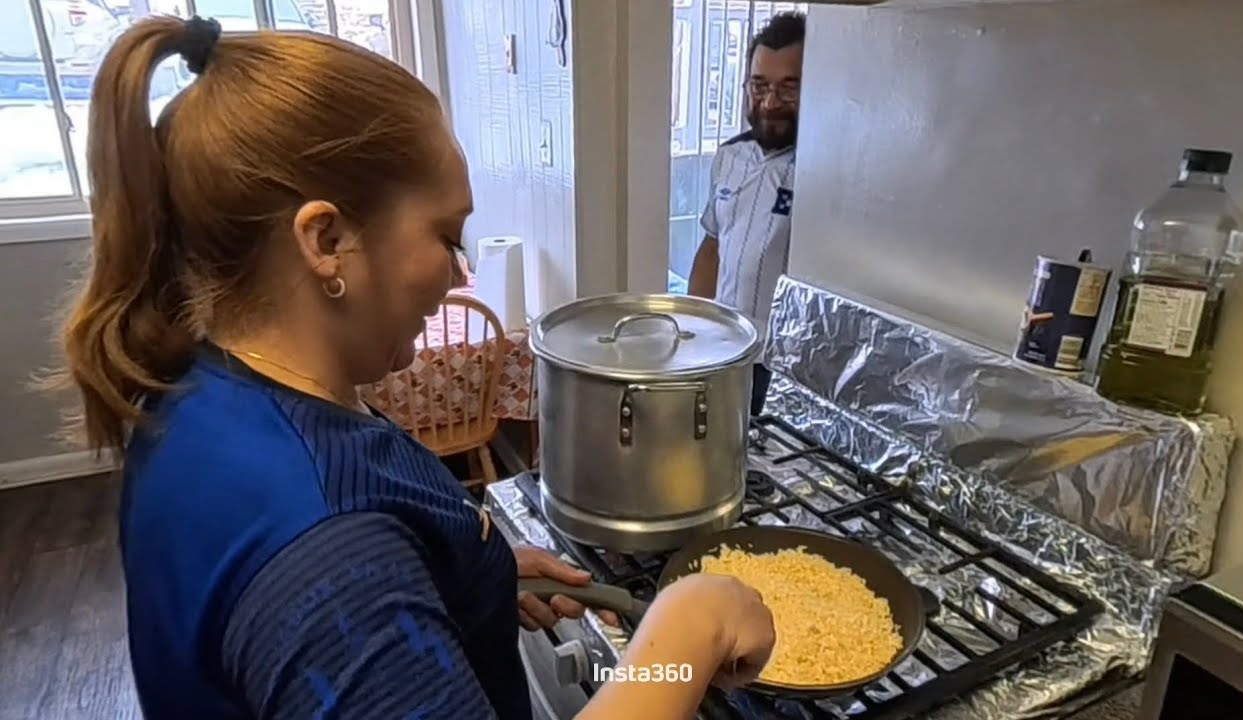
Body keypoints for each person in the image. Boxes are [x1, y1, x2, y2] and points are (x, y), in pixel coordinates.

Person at [47, 16, 775, 720]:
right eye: (445, 235)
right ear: (326, 239)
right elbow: (335, 577)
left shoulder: (198, 388)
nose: (459, 276)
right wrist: (689, 634)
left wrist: (466, 574)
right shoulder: (334, 558)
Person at [688, 12, 804, 417]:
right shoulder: (729, 157)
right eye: (759, 86)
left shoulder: (822, 173)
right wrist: (690, 333)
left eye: (789, 89)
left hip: (782, 368)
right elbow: (712, 246)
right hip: (722, 353)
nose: (769, 103)